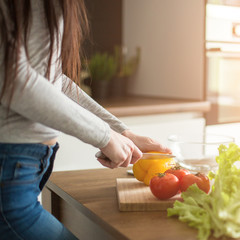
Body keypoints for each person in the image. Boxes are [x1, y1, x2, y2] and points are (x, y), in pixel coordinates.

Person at [0, 0, 171, 239]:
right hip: (10, 171)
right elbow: (12, 78)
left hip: (20, 167)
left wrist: (121, 133)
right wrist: (104, 136)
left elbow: (52, 80)